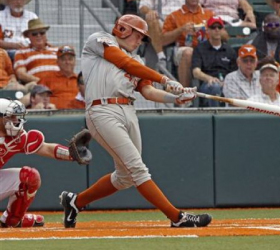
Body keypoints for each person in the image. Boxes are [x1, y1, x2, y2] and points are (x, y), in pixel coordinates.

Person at [59, 14, 212, 229]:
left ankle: (75, 202)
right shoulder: (99, 40)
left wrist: (176, 97)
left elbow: (148, 92)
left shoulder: (138, 61)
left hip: (128, 111)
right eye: (138, 35)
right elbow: (123, 62)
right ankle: (177, 217)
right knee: (137, 169)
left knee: (125, 177)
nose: (140, 41)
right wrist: (166, 79)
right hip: (102, 110)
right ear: (122, 29)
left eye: (142, 37)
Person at [0, 98, 86, 227]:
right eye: (11, 117)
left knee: (29, 176)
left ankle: (12, 220)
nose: (16, 121)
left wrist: (72, 154)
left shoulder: (16, 137)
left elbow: (45, 148)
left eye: (15, 117)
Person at [162, 0, 214, 87]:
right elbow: (163, 40)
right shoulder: (174, 15)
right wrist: (181, 30)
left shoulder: (209, 14)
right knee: (188, 52)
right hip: (183, 48)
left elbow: (224, 35)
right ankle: (185, 94)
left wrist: (209, 30)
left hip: (206, 48)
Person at [192, 16, 237, 107]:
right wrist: (209, 78)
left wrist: (226, 82)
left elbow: (235, 72)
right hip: (207, 84)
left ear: (223, 30)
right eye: (213, 27)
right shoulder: (200, 48)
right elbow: (196, 72)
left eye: (219, 27)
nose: (217, 30)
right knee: (215, 87)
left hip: (227, 83)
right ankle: (217, 116)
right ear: (207, 30)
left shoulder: (230, 50)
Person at [13, 18, 59, 85]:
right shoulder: (21, 52)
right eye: (34, 34)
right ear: (28, 36)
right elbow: (21, 74)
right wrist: (41, 82)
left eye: (42, 33)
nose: (39, 36)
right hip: (37, 86)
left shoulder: (56, 50)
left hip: (58, 83)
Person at [138, 0, 183, 67]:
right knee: (150, 18)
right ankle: (161, 57)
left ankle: (157, 42)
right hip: (161, 22)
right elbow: (142, 6)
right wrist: (149, 11)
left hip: (180, 22)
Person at [38, 45, 78, 109]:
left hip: (77, 115)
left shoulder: (81, 80)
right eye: (63, 59)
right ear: (57, 62)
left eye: (70, 59)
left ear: (75, 62)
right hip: (54, 115)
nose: (67, 62)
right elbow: (38, 99)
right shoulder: (47, 79)